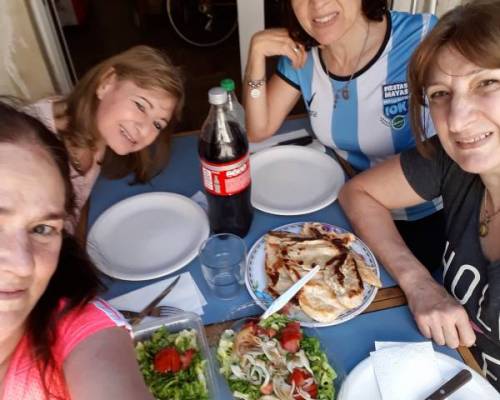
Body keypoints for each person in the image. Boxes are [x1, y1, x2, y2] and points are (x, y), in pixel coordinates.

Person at [339, 0, 500, 390]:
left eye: (487, 83)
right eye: (441, 93)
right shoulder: (455, 162)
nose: (458, 120)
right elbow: (358, 193)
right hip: (440, 370)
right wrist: (419, 282)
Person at [244, 0, 445, 271]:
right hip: (351, 214)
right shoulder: (303, 56)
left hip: (427, 219)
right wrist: (255, 57)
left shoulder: (422, 36)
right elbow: (259, 129)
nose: (317, 4)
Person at [0, 99, 153, 399]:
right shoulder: (62, 130)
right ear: (107, 83)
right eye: (139, 104)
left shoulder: (78, 327)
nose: (23, 265)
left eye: (42, 229)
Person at [28, 45, 184, 230]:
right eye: (141, 106)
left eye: (158, 124)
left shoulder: (100, 132)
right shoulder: (28, 148)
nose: (144, 130)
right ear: (106, 83)